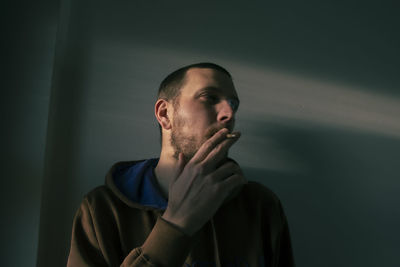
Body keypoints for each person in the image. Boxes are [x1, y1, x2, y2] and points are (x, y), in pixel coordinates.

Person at [67, 62, 295, 267]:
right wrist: (176, 224)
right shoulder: (102, 209)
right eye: (210, 97)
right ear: (165, 113)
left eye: (233, 104)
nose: (229, 114)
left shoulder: (260, 205)